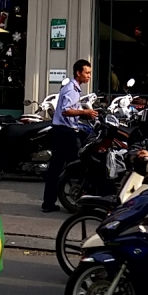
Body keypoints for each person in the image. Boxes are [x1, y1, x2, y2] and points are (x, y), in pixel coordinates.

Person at [41, 58, 98, 212]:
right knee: (82, 163)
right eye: (86, 73)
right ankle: (84, 200)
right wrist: (85, 112)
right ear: (78, 73)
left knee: (56, 168)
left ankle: (48, 203)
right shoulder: (71, 89)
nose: (89, 76)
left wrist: (85, 114)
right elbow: (66, 111)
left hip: (62, 131)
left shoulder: (73, 88)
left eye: (90, 73)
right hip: (65, 133)